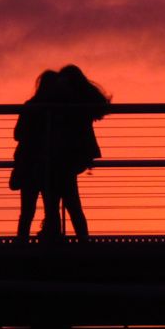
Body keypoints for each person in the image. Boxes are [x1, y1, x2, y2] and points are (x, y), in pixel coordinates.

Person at [46, 64, 108, 239]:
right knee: (69, 201)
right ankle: (81, 239)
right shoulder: (83, 99)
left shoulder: (69, 101)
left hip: (64, 156)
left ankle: (57, 238)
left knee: (58, 201)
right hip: (75, 156)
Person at [11, 70, 62, 241]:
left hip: (29, 164)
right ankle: (53, 240)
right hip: (49, 165)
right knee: (52, 207)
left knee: (27, 210)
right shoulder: (58, 110)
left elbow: (17, 134)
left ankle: (21, 242)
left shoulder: (30, 106)